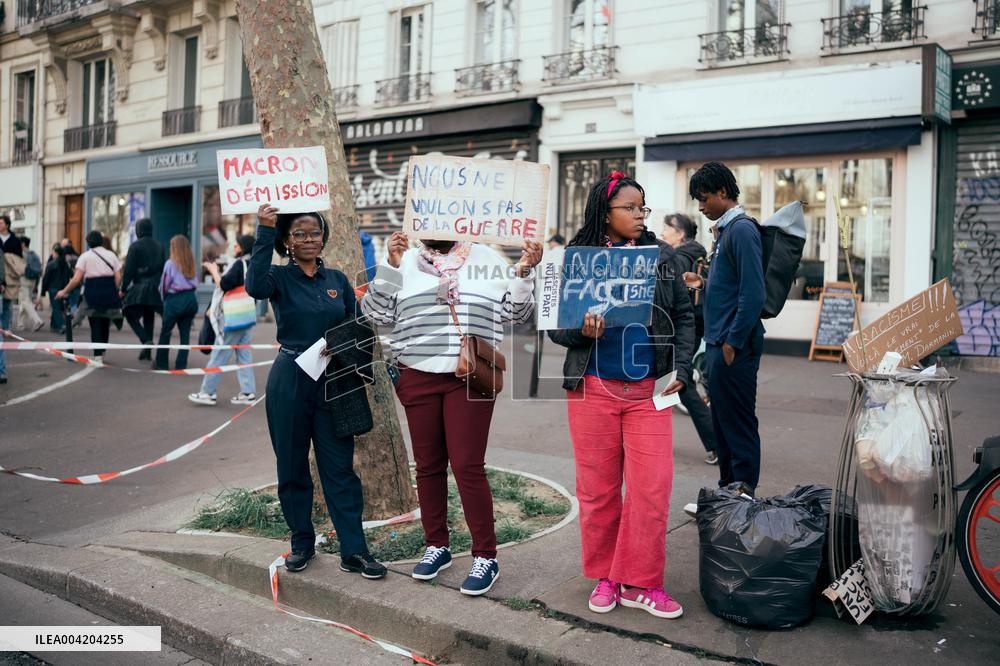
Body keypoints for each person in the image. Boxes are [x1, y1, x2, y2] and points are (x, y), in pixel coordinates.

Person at [362, 225, 541, 596]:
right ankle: (437, 546)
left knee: (467, 465)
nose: (430, 228)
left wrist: (523, 272)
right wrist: (391, 267)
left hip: (471, 377)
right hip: (417, 376)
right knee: (427, 466)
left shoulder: (487, 259)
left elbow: (518, 313)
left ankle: (485, 556)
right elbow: (376, 314)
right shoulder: (404, 261)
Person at [548, 172, 695, 620]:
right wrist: (581, 330)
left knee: (652, 490)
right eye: (628, 208)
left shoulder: (661, 257)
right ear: (604, 213)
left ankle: (643, 582)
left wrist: (683, 370)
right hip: (593, 387)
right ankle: (608, 576)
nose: (638, 215)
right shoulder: (577, 257)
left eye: (642, 207)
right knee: (598, 492)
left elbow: (685, 317)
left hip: (649, 391)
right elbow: (557, 330)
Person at [246, 203, 387, 579]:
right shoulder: (278, 277)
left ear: (323, 237)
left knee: (339, 468)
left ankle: (354, 550)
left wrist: (338, 342)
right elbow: (254, 286)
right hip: (290, 380)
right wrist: (263, 229)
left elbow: (356, 323)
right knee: (291, 466)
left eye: (315, 233)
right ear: (287, 241)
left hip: (334, 380)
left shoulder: (337, 280)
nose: (309, 239)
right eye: (299, 234)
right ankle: (301, 543)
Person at [682, 162, 765, 515]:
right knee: (723, 421)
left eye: (703, 199)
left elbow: (753, 293)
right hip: (719, 342)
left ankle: (743, 493)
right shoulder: (725, 232)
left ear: (722, 193)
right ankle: (726, 493)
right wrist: (703, 283)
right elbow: (734, 286)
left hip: (733, 344)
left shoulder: (742, 230)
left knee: (738, 420)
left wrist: (732, 341)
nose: (700, 207)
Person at [661, 213, 717, 465]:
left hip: (684, 325)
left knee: (678, 381)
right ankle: (714, 442)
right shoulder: (697, 252)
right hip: (695, 322)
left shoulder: (681, 256)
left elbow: (672, 292)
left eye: (667, 229)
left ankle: (715, 442)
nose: (663, 233)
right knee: (673, 380)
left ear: (680, 234)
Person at [189, 233, 257, 406]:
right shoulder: (253, 264)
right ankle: (248, 392)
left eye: (237, 245)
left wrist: (213, 270)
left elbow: (224, 284)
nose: (234, 247)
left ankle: (207, 392)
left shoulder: (238, 264)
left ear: (243, 247)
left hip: (232, 317)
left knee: (219, 354)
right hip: (246, 315)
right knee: (244, 354)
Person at [56, 230, 122, 359]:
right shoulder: (111, 255)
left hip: (92, 290)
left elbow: (76, 279)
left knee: (95, 321)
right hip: (108, 290)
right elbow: (118, 277)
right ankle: (102, 350)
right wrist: (113, 289)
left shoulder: (85, 257)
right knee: (105, 321)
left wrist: (64, 291)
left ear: (88, 243)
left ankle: (98, 355)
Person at [120, 218, 166, 361]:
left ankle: (145, 341)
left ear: (138, 230)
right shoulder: (160, 246)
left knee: (129, 313)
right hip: (156, 288)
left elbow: (129, 270)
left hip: (139, 287)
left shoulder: (135, 246)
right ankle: (147, 351)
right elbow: (163, 269)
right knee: (149, 316)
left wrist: (123, 288)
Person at [154, 235, 199, 371]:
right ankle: (181, 364)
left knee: (166, 332)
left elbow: (165, 285)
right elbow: (195, 283)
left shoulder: (170, 263)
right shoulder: (191, 263)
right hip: (190, 299)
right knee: (185, 334)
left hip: (174, 300)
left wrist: (164, 298)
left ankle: (161, 363)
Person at [40, 244, 72, 333]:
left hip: (53, 288)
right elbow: (71, 275)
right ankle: (54, 326)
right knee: (57, 306)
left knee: (56, 307)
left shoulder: (51, 264)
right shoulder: (66, 264)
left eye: (53, 252)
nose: (52, 254)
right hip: (63, 289)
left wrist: (43, 290)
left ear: (56, 253)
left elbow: (46, 278)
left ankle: (62, 325)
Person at [17, 236, 44, 332]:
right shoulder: (34, 254)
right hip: (32, 281)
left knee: (25, 302)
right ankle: (20, 324)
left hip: (23, 280)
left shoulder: (21, 254)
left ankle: (38, 321)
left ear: (23, 244)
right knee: (24, 302)